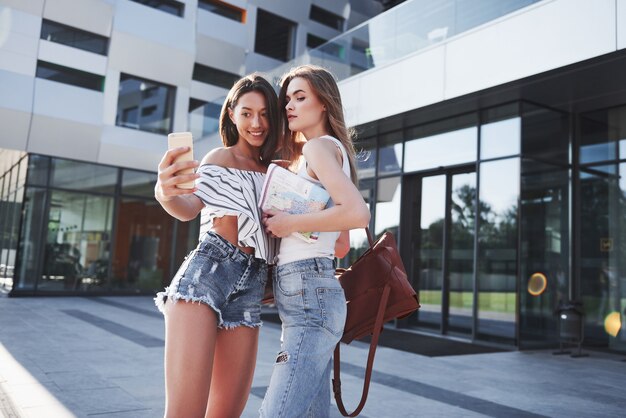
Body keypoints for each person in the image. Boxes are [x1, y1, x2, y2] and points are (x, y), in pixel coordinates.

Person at [153, 74, 280, 418]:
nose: (257, 123)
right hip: (206, 278)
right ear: (232, 115)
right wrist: (164, 191)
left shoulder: (277, 171)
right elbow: (187, 208)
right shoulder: (218, 158)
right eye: (247, 113)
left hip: (251, 287)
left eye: (266, 113)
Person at [260, 65, 370, 417]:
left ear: (324, 103)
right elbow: (340, 247)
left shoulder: (318, 149)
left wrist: (290, 222)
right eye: (288, 98)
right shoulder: (334, 152)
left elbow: (358, 213)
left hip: (310, 294)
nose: (289, 105)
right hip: (315, 293)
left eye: (300, 97)